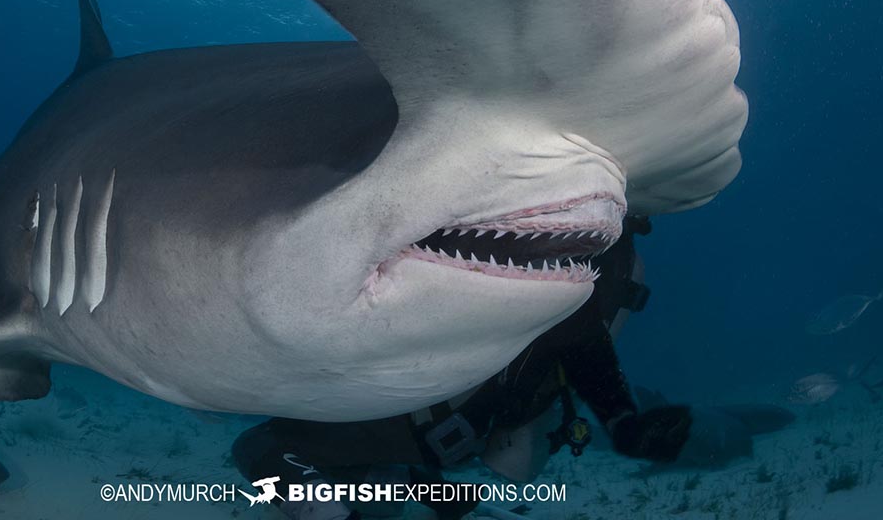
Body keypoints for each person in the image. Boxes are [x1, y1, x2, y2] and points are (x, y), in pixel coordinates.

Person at [231, 217, 691, 520]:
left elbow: (585, 348)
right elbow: (590, 356)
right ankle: (423, 491)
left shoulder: (542, 276)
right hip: (462, 436)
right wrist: (624, 424)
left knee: (258, 446)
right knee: (375, 479)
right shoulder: (567, 290)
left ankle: (369, 502)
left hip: (423, 419)